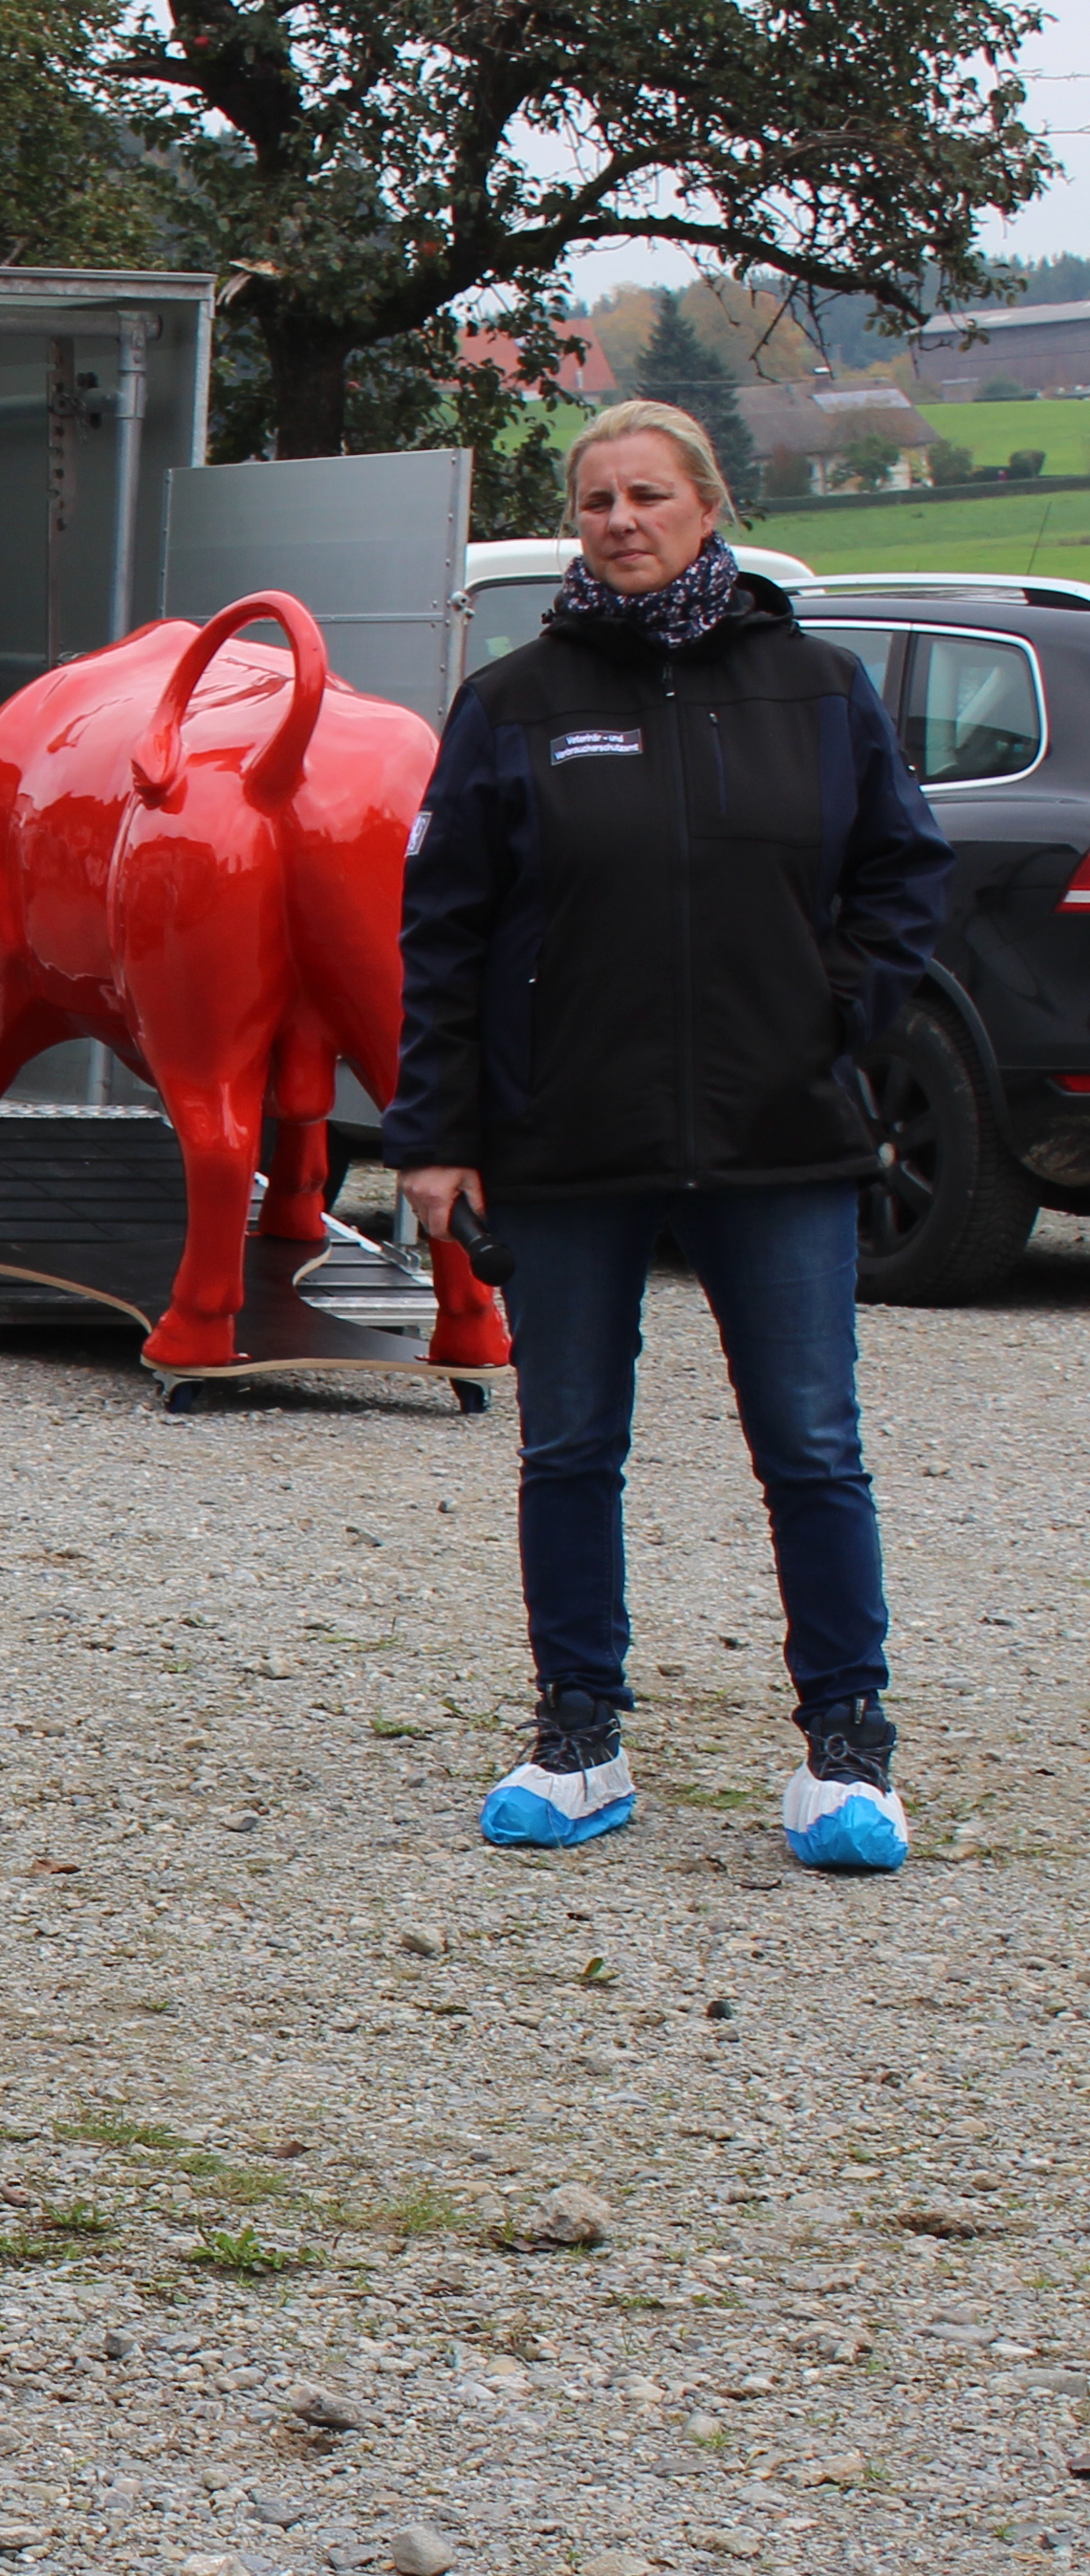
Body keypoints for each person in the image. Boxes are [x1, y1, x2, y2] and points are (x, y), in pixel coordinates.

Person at [390, 399, 949, 1873]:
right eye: (596, 502)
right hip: (567, 1133)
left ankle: (847, 1748)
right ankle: (579, 1735)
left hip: (780, 1130)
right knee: (571, 1442)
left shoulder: (819, 687)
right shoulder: (513, 702)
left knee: (812, 1444)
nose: (621, 521)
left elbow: (904, 875)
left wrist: (829, 1014)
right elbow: (443, 930)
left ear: (709, 507)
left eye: (648, 495)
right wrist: (435, 1132)